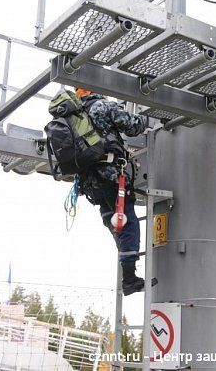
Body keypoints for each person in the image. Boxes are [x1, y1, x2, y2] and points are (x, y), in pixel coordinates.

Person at [75, 88, 147, 296]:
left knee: (111, 217)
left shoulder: (75, 112)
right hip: (110, 174)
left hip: (88, 179)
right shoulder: (102, 105)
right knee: (128, 222)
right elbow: (133, 127)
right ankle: (130, 278)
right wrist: (147, 118)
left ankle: (125, 260)